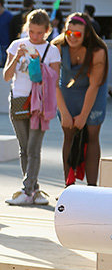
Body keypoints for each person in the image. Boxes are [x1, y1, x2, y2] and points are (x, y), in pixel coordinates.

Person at [2, 9, 60, 205]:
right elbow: (7, 76)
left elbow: (55, 80)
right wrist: (17, 57)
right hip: (19, 99)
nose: (35, 36)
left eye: (39, 33)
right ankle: (34, 190)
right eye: (32, 32)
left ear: (47, 31)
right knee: (24, 148)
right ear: (26, 28)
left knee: (34, 148)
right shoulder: (17, 45)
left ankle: (27, 190)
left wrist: (39, 65)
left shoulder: (52, 50)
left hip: (40, 104)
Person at [53, 12, 109, 187]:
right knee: (68, 134)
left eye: (77, 34)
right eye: (69, 33)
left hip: (93, 92)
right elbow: (53, 84)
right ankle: (69, 186)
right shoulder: (57, 47)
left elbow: (94, 86)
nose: (72, 37)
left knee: (92, 135)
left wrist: (84, 115)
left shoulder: (98, 51)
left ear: (86, 34)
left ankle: (92, 188)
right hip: (68, 92)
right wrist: (64, 112)